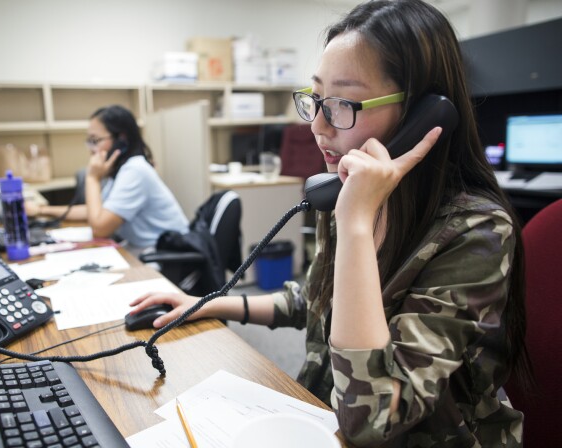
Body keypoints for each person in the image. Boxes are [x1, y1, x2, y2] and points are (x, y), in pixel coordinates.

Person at [129, 0, 531, 446]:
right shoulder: (353, 194)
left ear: (424, 115)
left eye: (343, 103)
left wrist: (356, 225)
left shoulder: (476, 231)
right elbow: (316, 299)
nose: (318, 126)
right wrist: (206, 304)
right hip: (320, 415)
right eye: (316, 99)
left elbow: (373, 418)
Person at [27, 105, 189, 255]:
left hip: (167, 253)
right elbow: (96, 211)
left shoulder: (135, 171)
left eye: (95, 140)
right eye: (89, 142)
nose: (91, 149)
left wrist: (92, 178)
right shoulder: (121, 170)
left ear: (121, 139)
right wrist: (41, 210)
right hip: (143, 248)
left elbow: (100, 228)